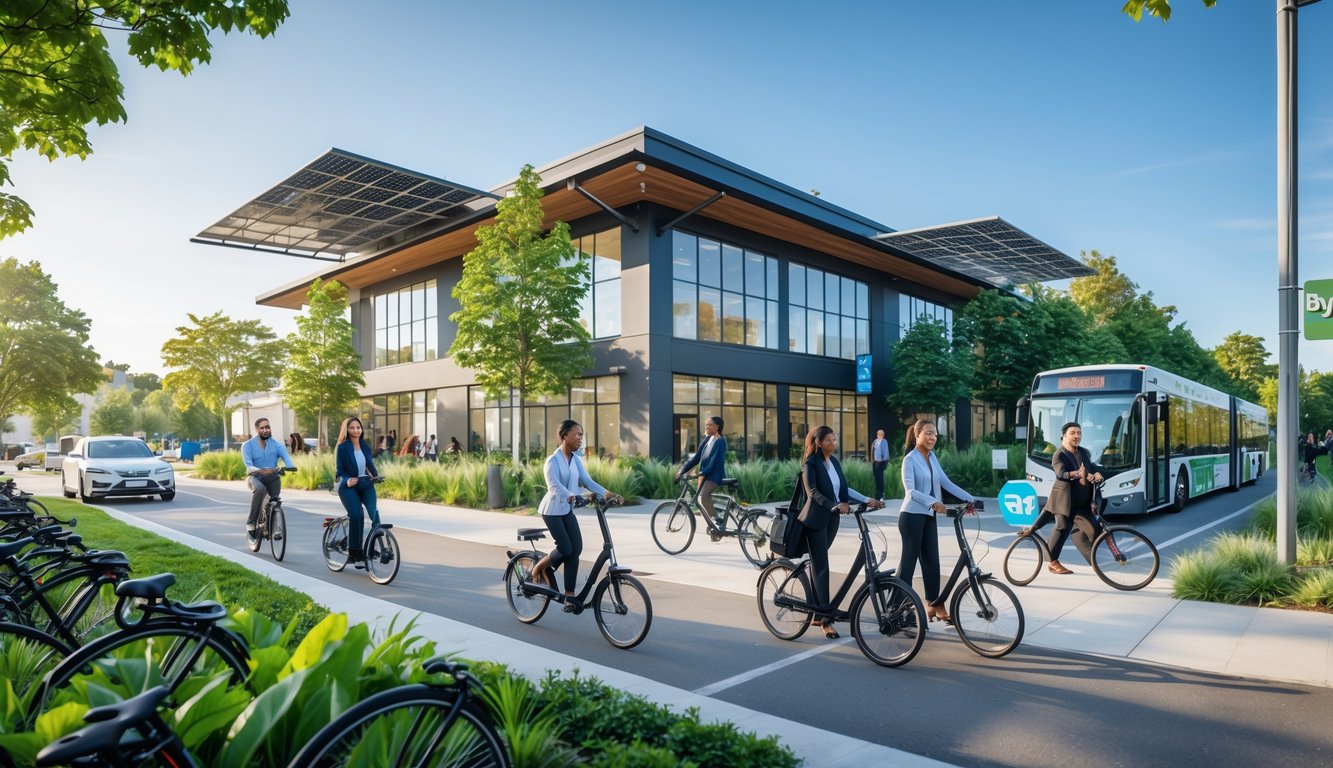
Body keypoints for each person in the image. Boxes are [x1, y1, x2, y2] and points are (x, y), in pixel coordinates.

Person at [798, 425, 885, 638]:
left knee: (819, 563)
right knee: (822, 567)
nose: (833, 444)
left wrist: (867, 500)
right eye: (829, 440)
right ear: (818, 442)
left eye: (835, 440)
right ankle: (824, 618)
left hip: (831, 520)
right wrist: (832, 505)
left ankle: (818, 611)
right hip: (815, 520)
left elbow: (843, 490)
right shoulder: (810, 464)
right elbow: (812, 492)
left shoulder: (834, 462)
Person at [528, 420, 623, 610]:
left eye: (581, 434)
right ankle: (539, 567)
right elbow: (554, 486)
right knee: (565, 548)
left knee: (576, 549)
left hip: (566, 510)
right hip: (552, 510)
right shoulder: (553, 460)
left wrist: (608, 494)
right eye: (576, 434)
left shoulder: (576, 460)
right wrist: (573, 496)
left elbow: (587, 481)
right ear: (564, 436)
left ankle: (569, 595)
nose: (580, 438)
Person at [899, 419, 976, 624]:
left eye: (934, 434)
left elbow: (946, 483)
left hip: (928, 517)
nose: (932, 437)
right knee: (907, 565)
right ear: (917, 435)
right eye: (928, 433)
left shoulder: (932, 458)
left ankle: (935, 604)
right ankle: (896, 609)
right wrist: (933, 501)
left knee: (932, 562)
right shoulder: (910, 459)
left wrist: (971, 499)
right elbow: (911, 491)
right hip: (911, 517)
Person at [1042, 422, 1105, 575]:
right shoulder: (1059, 454)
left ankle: (1095, 564)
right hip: (1066, 501)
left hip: (1082, 501)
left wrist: (1098, 474)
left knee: (1091, 531)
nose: (1077, 436)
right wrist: (1076, 473)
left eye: (1079, 433)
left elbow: (1093, 469)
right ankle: (1052, 562)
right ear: (1064, 436)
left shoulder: (1083, 452)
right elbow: (1061, 473)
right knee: (1062, 528)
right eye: (1073, 433)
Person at [334, 416, 380, 567]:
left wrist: (377, 477)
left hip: (365, 484)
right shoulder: (343, 447)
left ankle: (375, 549)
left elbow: (370, 465)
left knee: (375, 516)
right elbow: (340, 471)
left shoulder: (365, 446)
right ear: (347, 429)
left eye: (358, 427)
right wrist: (347, 480)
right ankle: (354, 553)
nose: (356, 430)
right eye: (352, 427)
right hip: (349, 486)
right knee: (356, 515)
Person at [241, 417, 297, 539]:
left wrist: (291, 467)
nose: (265, 430)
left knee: (275, 501)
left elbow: (288, 460)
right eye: (262, 428)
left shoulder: (278, 445)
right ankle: (251, 521)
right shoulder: (247, 445)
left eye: (268, 427)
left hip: (272, 478)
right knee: (260, 490)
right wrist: (261, 470)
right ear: (257, 430)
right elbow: (249, 465)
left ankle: (275, 528)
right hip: (255, 478)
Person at [676, 416, 727, 528]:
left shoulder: (721, 441)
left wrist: (700, 473)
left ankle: (718, 522)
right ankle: (713, 523)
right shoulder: (707, 439)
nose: (707, 427)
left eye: (710, 425)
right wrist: (682, 470)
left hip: (714, 475)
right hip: (705, 474)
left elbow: (713, 463)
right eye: (706, 425)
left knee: (704, 496)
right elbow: (696, 458)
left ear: (717, 427)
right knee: (699, 499)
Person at [870, 428, 890, 500]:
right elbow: (872, 450)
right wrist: (872, 460)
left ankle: (881, 494)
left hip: (881, 462)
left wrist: (885, 461)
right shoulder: (875, 441)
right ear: (877, 435)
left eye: (882, 434)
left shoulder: (884, 441)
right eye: (879, 434)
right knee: (876, 478)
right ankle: (877, 494)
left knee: (880, 478)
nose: (881, 435)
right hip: (875, 462)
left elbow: (886, 452)